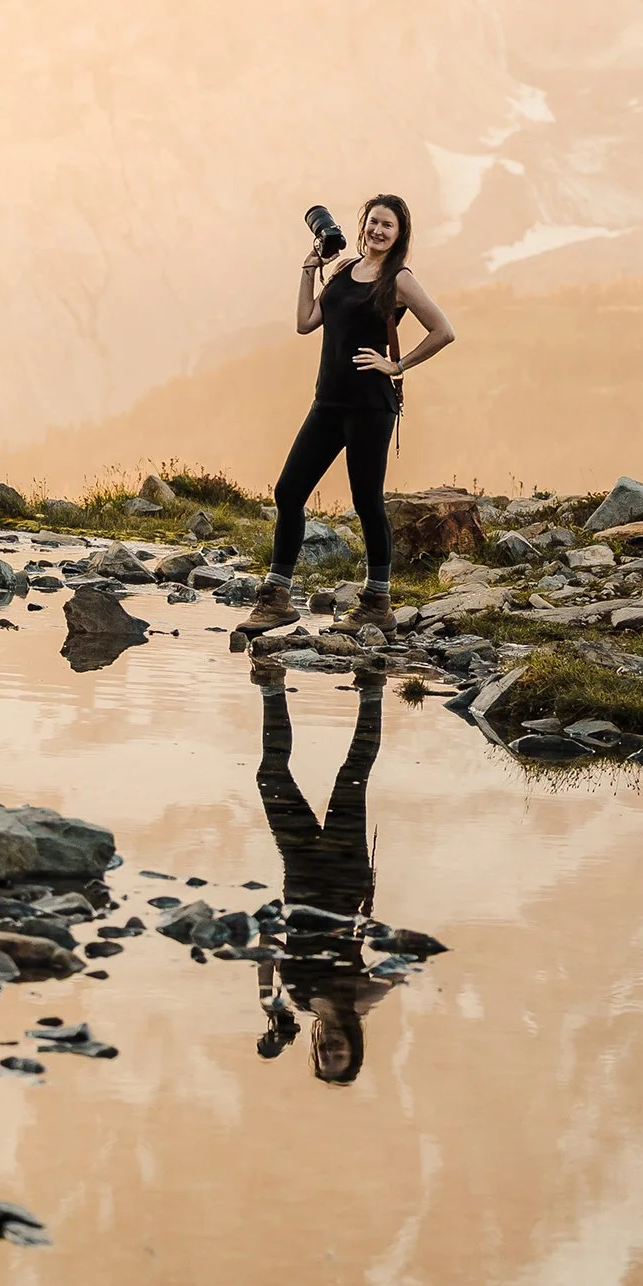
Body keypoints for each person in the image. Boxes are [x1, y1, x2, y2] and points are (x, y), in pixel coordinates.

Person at [238, 192, 454, 638]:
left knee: (366, 502)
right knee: (289, 491)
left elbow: (443, 330)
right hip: (328, 401)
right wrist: (309, 269)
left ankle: (377, 604)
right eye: (373, 222)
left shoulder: (399, 279)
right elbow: (305, 322)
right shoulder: (342, 269)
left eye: (388, 225)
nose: (378, 230)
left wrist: (397, 364)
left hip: (370, 405)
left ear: (399, 234)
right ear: (363, 225)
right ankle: (276, 600)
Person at [253, 675, 389, 1083]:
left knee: (270, 775)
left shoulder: (298, 998)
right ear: (353, 1045)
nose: (330, 1047)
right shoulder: (359, 1002)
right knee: (352, 775)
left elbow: (268, 944)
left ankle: (271, 684)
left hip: (300, 874)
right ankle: (372, 688)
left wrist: (268, 1000)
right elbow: (400, 968)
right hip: (345, 876)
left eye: (325, 1055)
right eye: (339, 1052)